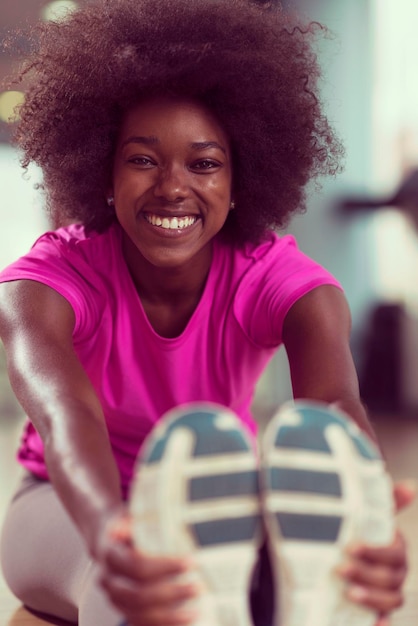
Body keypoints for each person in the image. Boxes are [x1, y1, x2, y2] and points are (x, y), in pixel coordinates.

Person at [0, 0, 413, 625]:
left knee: (278, 576)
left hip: (219, 501)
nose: (172, 186)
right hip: (66, 503)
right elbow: (65, 417)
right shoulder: (47, 283)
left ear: (239, 181)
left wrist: (368, 511)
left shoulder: (281, 280)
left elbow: (334, 406)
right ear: (103, 174)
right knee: (141, 589)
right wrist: (115, 530)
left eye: (205, 163)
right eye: (142, 159)